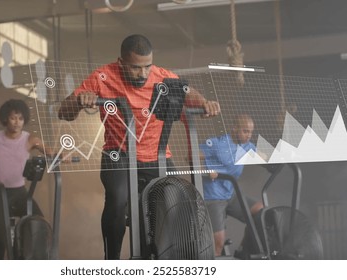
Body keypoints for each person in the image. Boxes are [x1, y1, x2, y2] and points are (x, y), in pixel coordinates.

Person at [58, 34, 220, 259]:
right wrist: (78, 101)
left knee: (178, 202)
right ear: (121, 62)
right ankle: (112, 260)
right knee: (118, 200)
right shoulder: (102, 77)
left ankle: (165, 259)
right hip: (119, 155)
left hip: (158, 156)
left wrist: (203, 102)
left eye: (147, 67)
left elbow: (187, 92)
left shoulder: (162, 77)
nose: (143, 74)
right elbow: (63, 112)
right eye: (135, 68)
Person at [0, 99, 50, 260]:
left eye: (20, 119)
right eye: (13, 118)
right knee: (1, 242)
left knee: (38, 224)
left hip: (20, 194)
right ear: (5, 119)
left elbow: (51, 152)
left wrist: (63, 156)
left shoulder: (30, 140)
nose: (17, 122)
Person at [200, 114, 263, 257]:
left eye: (251, 132)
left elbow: (263, 156)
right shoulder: (217, 144)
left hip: (231, 195)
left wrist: (284, 157)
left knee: (260, 211)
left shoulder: (247, 146)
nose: (248, 135)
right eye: (245, 131)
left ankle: (243, 250)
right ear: (234, 129)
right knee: (218, 243)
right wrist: (207, 170)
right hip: (214, 197)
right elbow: (190, 157)